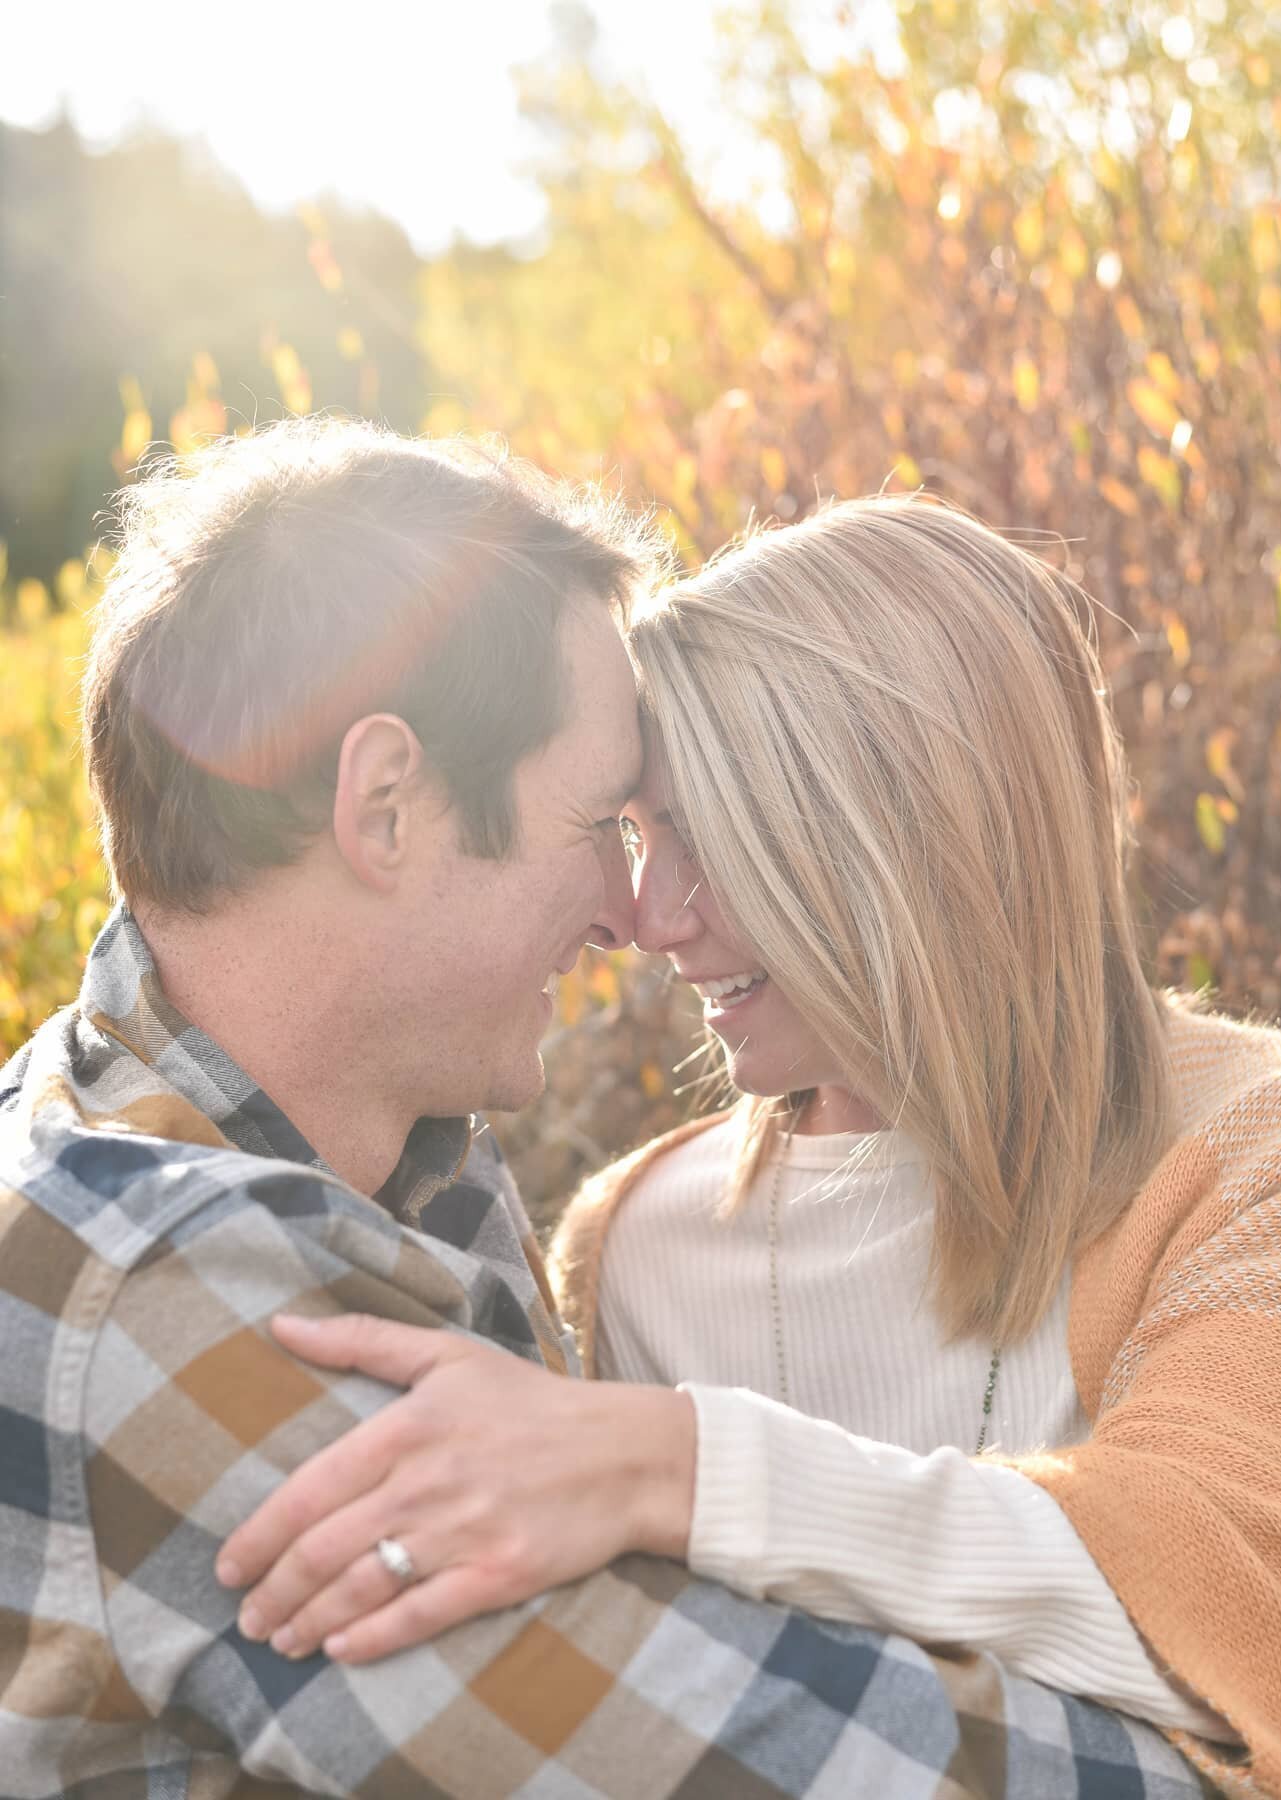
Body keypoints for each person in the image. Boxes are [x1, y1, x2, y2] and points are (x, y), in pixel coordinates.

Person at [0, 425, 1211, 1800]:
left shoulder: (391, 1155)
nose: (634, 916)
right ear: (386, 805)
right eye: (600, 828)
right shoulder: (167, 1290)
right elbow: (751, 1759)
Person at [222, 496, 1281, 1800]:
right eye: (637, 833)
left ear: (904, 834)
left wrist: (672, 1462)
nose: (648, 914)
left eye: (708, 835)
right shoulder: (633, 1244)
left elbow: (1238, 1593)